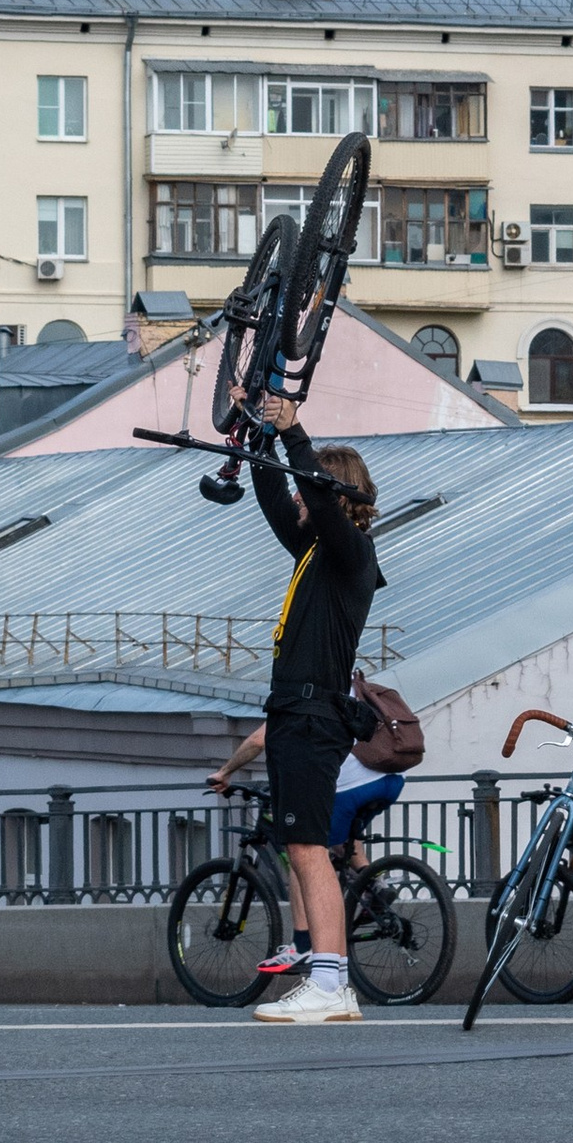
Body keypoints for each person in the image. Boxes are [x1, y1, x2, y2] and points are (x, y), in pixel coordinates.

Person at [246, 392, 384, 1023]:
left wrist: (294, 432)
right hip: (293, 715)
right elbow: (279, 498)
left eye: (314, 492)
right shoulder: (314, 551)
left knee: (308, 848)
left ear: (336, 494)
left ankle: (330, 984)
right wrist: (258, 440)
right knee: (300, 844)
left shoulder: (351, 553)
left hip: (311, 717)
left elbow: (317, 503)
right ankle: (327, 981)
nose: (300, 501)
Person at [209, 675, 411, 989]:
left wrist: (225, 772)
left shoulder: (309, 692)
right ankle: (375, 885)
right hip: (388, 780)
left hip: (351, 785)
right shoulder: (353, 690)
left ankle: (302, 944)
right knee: (342, 841)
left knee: (302, 849)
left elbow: (258, 740)